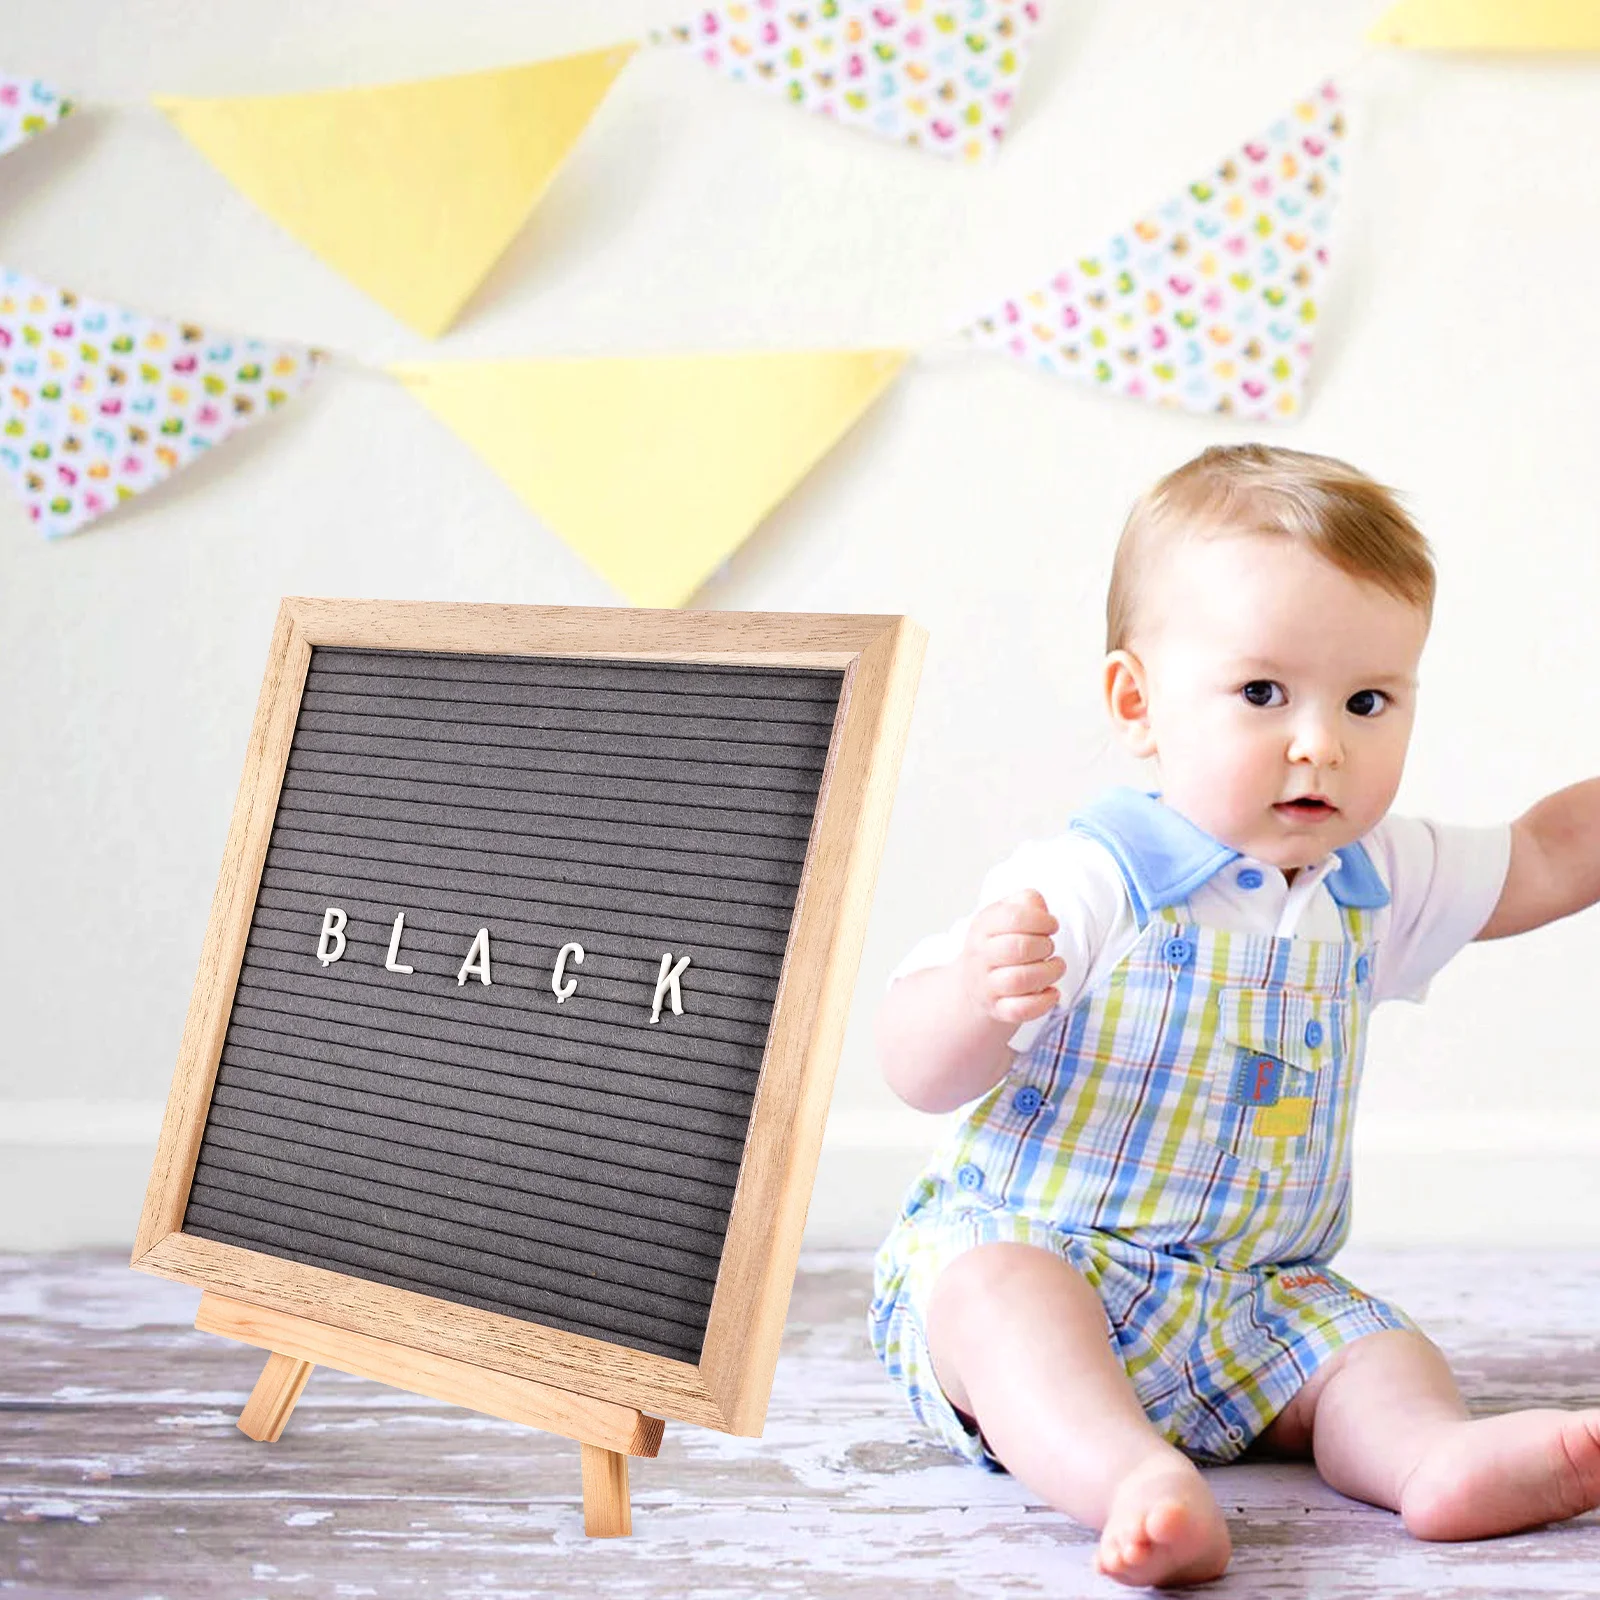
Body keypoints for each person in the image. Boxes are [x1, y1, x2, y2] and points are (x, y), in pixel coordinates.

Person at [867, 443, 1600, 1589]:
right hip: (1055, 1255)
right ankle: (1127, 1477)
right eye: (1263, 693)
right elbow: (912, 1066)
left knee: (1371, 1352)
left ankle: (1429, 1458)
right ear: (1138, 704)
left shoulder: (1376, 873)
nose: (1322, 741)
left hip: (1257, 1299)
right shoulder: (1096, 875)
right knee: (997, 1303)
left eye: (1367, 699)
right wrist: (973, 993)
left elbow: (1552, 854)